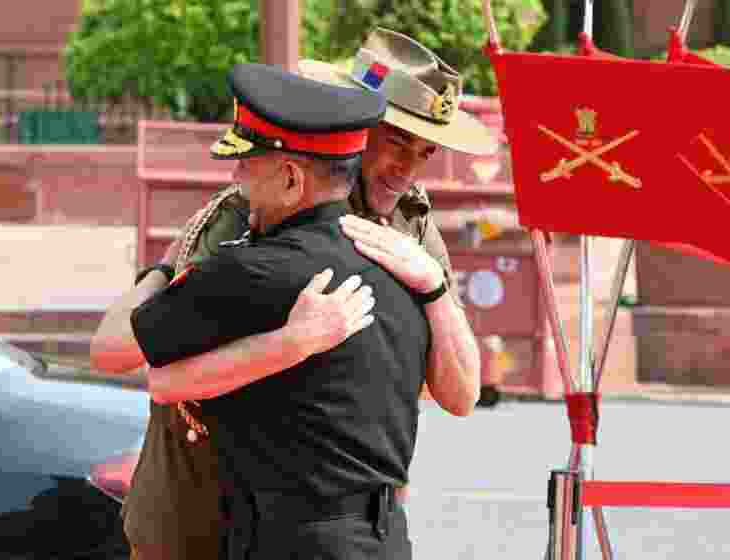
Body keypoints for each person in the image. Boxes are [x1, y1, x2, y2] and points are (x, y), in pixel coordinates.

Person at [91, 28, 500, 560]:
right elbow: (163, 364)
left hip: (331, 521)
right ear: (353, 120)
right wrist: (296, 342)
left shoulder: (410, 227)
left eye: (425, 152)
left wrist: (436, 290)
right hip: (201, 512)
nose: (407, 170)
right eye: (397, 141)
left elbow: (460, 393)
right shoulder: (251, 213)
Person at [132, 60, 430, 559]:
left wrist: (164, 268)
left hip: (291, 542)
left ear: (291, 180)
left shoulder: (247, 272)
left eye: (247, 165)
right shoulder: (404, 274)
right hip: (385, 540)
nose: (236, 177)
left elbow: (155, 370)